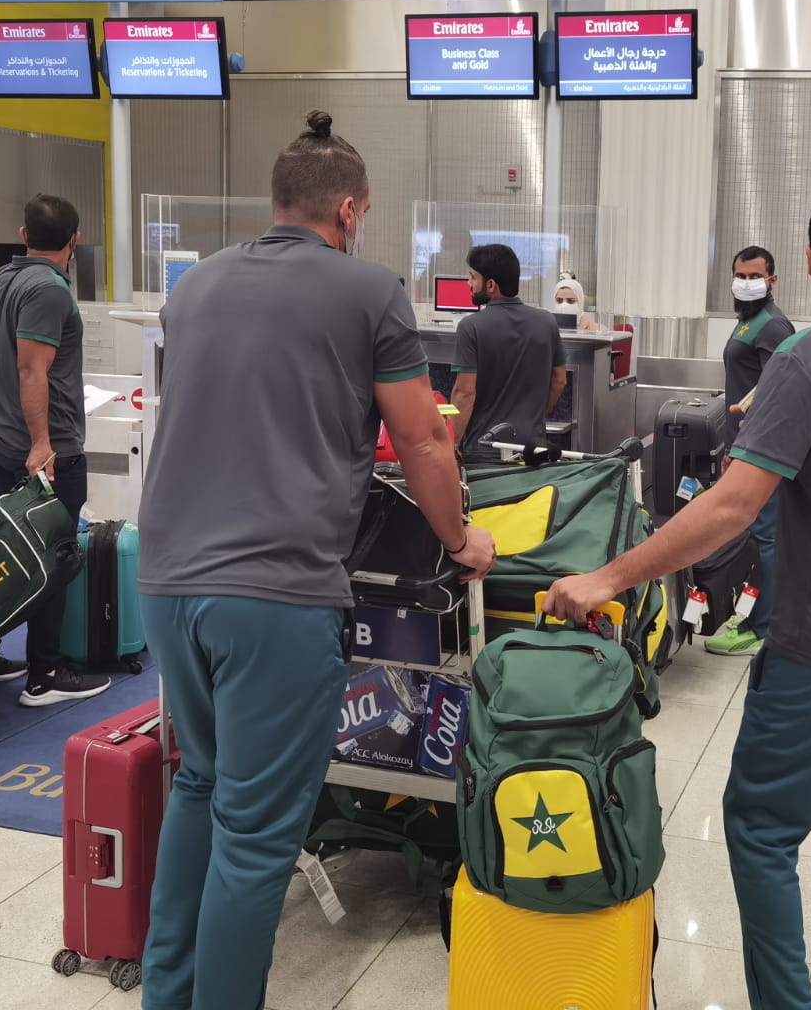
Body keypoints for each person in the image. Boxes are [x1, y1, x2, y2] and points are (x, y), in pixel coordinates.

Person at [545, 187, 811, 1010]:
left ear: (808, 262)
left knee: (762, 829)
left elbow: (733, 506)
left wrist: (607, 577)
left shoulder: (806, 360)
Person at [135, 111, 496, 1010]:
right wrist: (460, 541)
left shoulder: (195, 287)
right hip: (276, 594)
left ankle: (166, 996)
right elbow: (424, 441)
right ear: (348, 209)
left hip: (168, 584)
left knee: (200, 786)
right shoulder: (370, 291)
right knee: (257, 838)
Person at [0, 194, 111, 707]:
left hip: (1, 443)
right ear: (75, 240)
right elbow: (31, 369)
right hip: (45, 452)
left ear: (24, 236)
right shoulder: (48, 289)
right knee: (53, 559)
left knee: (1, 557)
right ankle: (46, 674)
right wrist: (43, 443)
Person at [705, 244, 794, 657]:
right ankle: (757, 616)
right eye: (740, 276)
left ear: (772, 280)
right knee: (757, 536)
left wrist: (750, 447)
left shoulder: (773, 326)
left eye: (755, 277)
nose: (746, 283)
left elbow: (779, 393)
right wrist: (732, 447)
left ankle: (763, 628)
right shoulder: (748, 321)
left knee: (766, 539)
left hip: (763, 451)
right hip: (746, 446)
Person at [450, 244, 567, 457]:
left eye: (473, 277)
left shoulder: (470, 327)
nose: (469, 283)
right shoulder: (547, 322)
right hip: (533, 449)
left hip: (485, 451)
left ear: (491, 285)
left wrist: (453, 443)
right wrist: (534, 417)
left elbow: (465, 392)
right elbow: (559, 380)